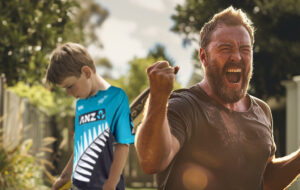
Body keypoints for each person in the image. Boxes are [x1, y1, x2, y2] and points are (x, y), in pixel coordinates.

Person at [135, 6, 300, 190]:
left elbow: (266, 180)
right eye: (225, 48)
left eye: (245, 49)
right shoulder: (184, 106)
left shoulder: (262, 111)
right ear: (204, 57)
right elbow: (151, 162)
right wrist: (158, 99)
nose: (236, 57)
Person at [46, 42, 135, 190]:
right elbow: (80, 147)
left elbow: (122, 146)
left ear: (86, 72)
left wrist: (110, 185)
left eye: (69, 86)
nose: (68, 93)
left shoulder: (117, 97)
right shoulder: (81, 104)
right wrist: (64, 177)